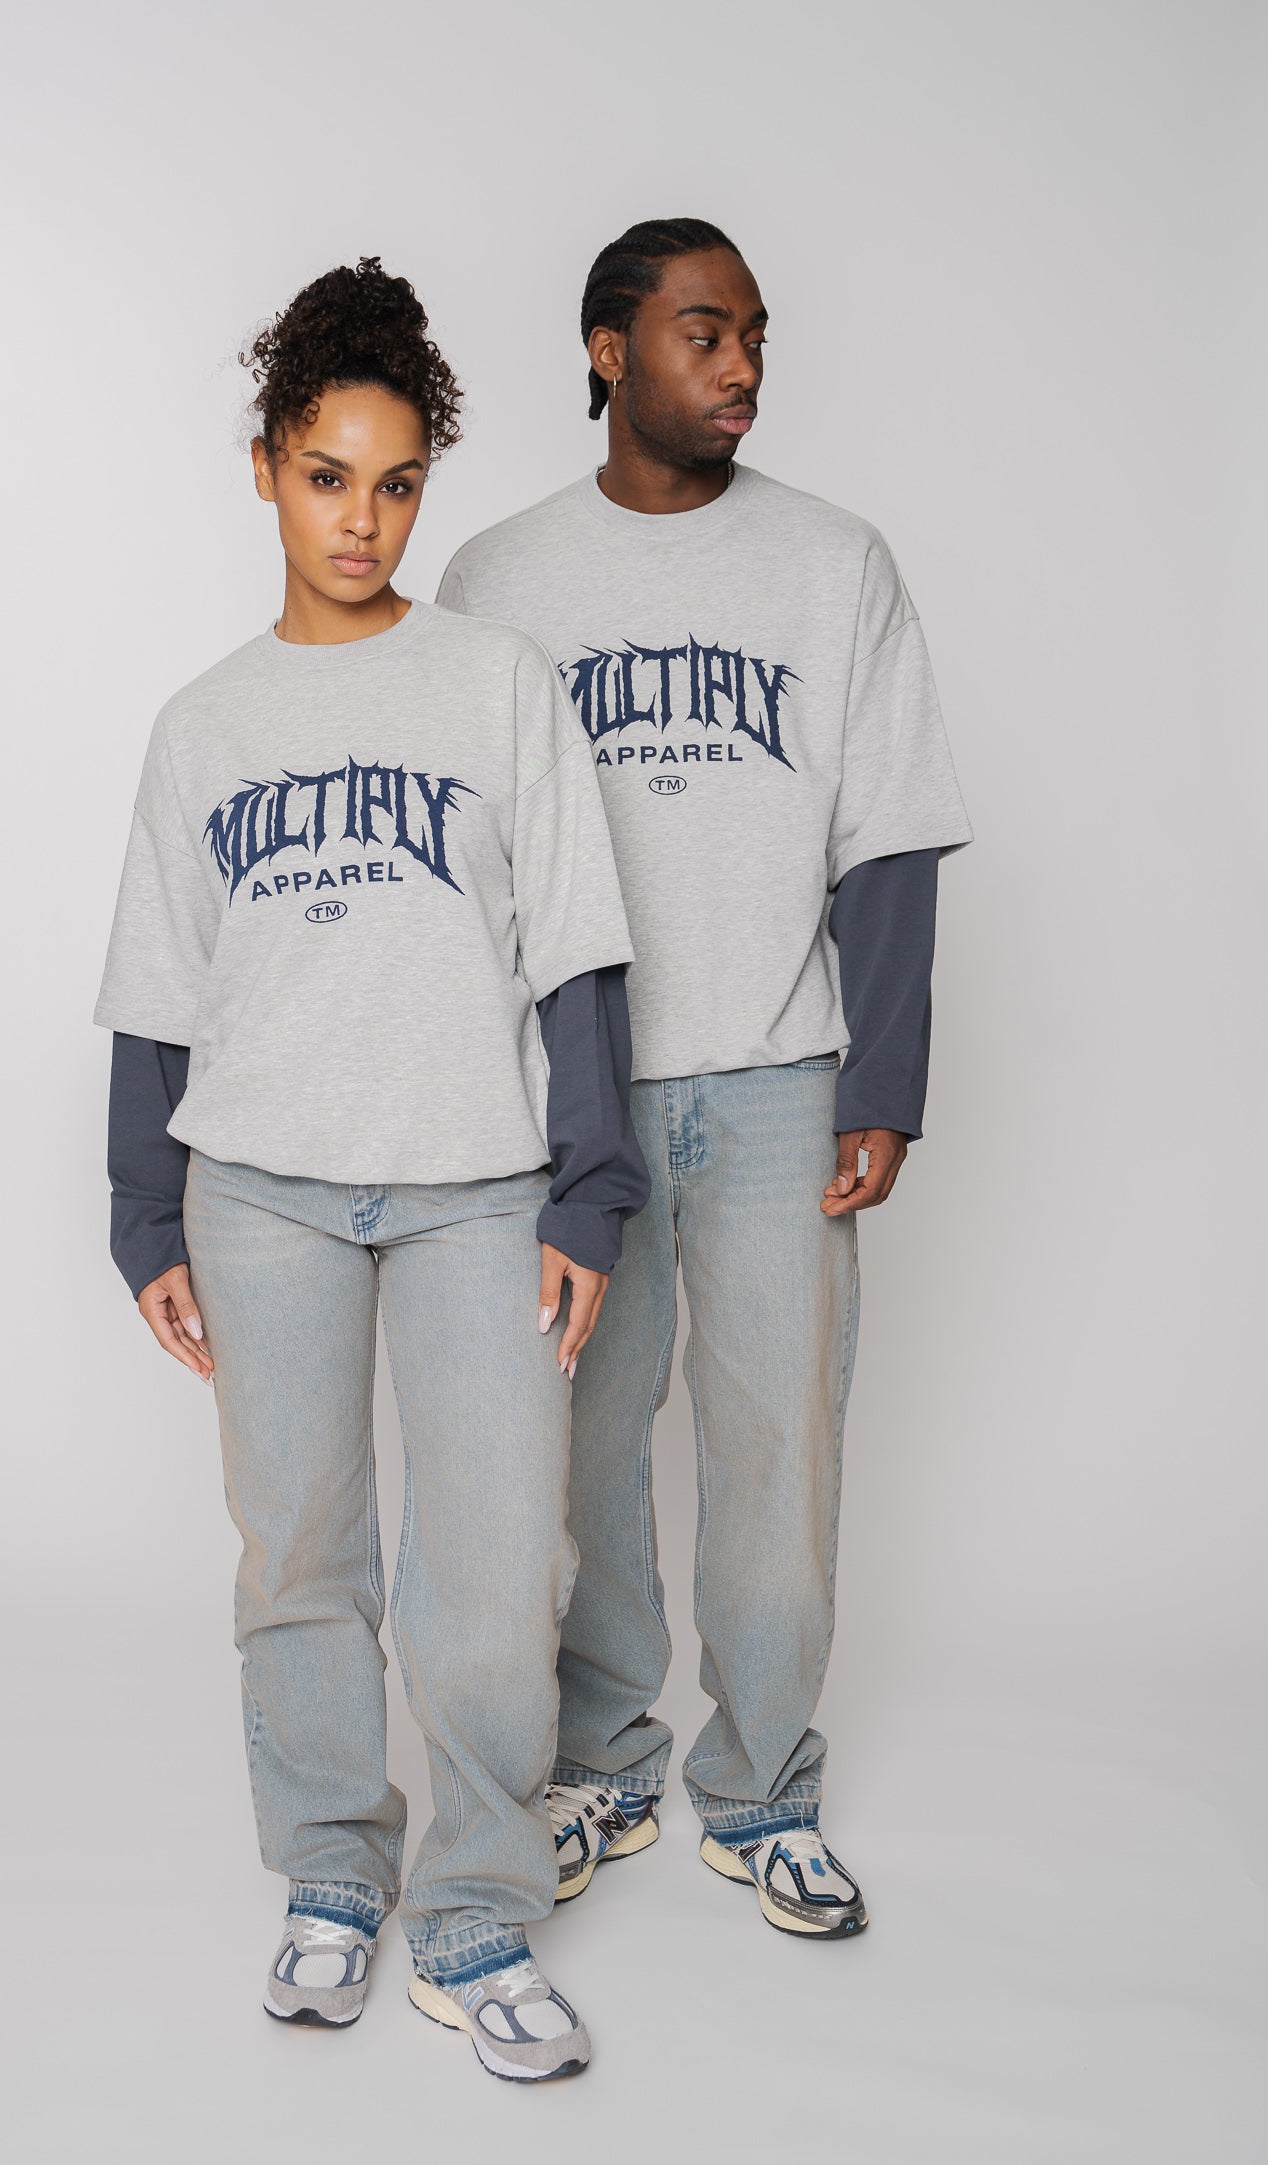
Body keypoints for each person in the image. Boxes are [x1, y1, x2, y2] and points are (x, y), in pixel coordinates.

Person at [94, 258, 649, 2081]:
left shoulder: (495, 682)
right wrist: (144, 1210)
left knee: (491, 1561)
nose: (363, 519)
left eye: (398, 483)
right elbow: (160, 990)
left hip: (477, 1184)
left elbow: (578, 951)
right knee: (301, 1553)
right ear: (267, 466)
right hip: (258, 1190)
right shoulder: (203, 726)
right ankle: (333, 1869)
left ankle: (477, 1906)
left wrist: (588, 1191)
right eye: (329, 476)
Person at [439, 218, 972, 1939]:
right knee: (578, 1453)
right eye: (702, 332)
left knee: (778, 1456)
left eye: (754, 336)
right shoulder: (501, 579)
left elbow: (890, 837)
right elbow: (468, 869)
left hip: (775, 1079)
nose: (741, 366)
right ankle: (602, 1760)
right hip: (572, 1100)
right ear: (609, 351)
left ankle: (762, 1787)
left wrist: (882, 1078)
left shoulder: (834, 563)